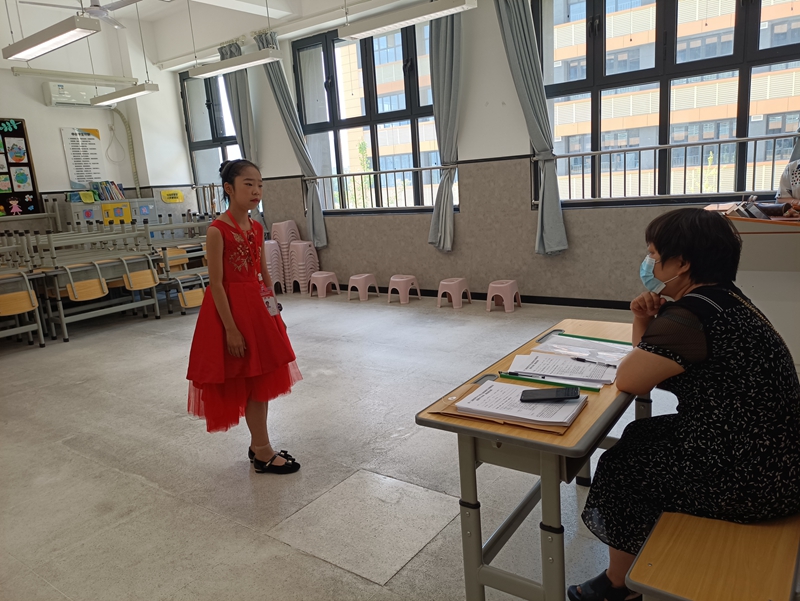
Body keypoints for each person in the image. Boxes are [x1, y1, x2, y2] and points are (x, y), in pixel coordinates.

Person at [568, 208, 800, 601]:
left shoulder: (691, 315)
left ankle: (618, 585)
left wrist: (647, 321)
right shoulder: (727, 299)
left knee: (621, 465)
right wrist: (644, 318)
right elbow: (649, 360)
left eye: (654, 255)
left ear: (682, 263)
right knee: (640, 433)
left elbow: (630, 378)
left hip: (753, 481)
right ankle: (637, 554)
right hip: (779, 459)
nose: (649, 264)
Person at [186, 159, 302, 474]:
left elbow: (263, 274)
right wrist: (231, 329)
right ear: (229, 188)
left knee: (261, 380)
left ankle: (258, 445)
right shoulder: (217, 230)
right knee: (250, 380)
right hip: (232, 313)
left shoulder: (257, 227)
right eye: (248, 184)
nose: (256, 191)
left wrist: (274, 312)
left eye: (260, 185)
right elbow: (216, 284)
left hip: (258, 310)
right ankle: (263, 451)